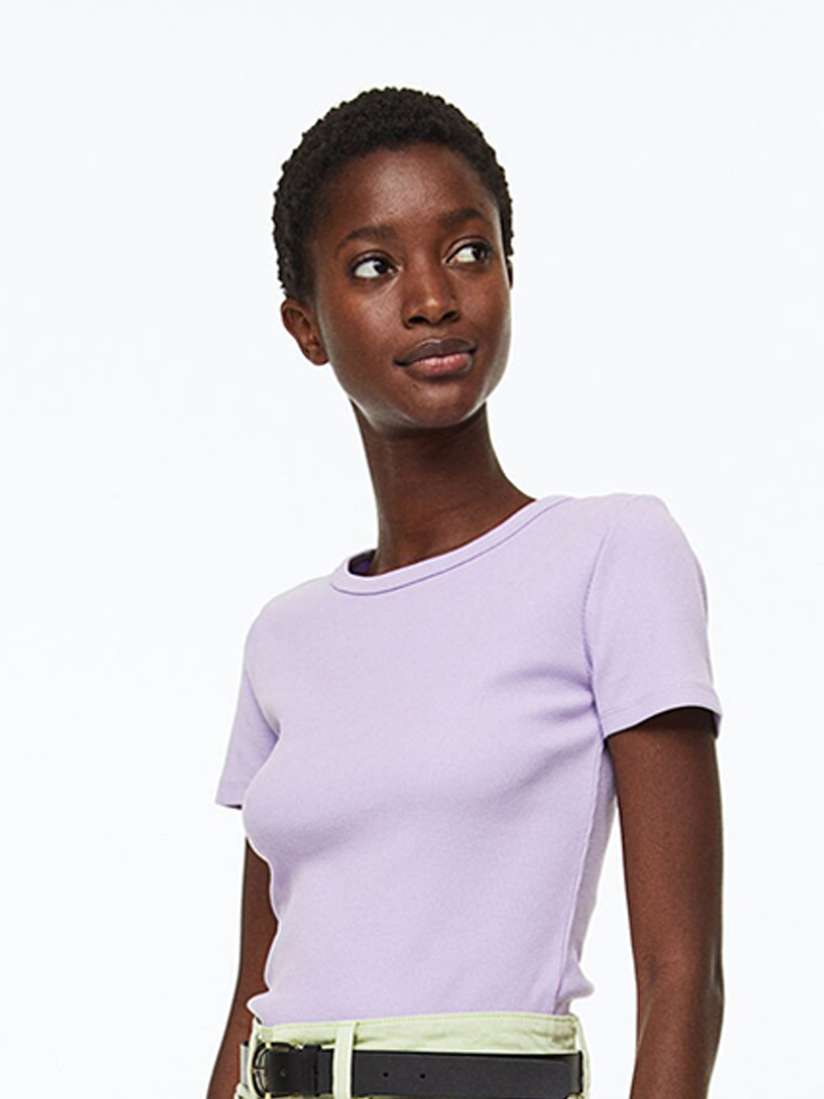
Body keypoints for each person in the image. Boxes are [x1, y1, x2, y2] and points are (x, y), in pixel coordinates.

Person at [207, 87, 724, 1099]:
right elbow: (248, 997)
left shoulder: (610, 553)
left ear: (508, 277)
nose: (433, 298)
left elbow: (682, 975)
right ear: (307, 327)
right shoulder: (284, 637)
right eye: (374, 266)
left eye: (468, 251)